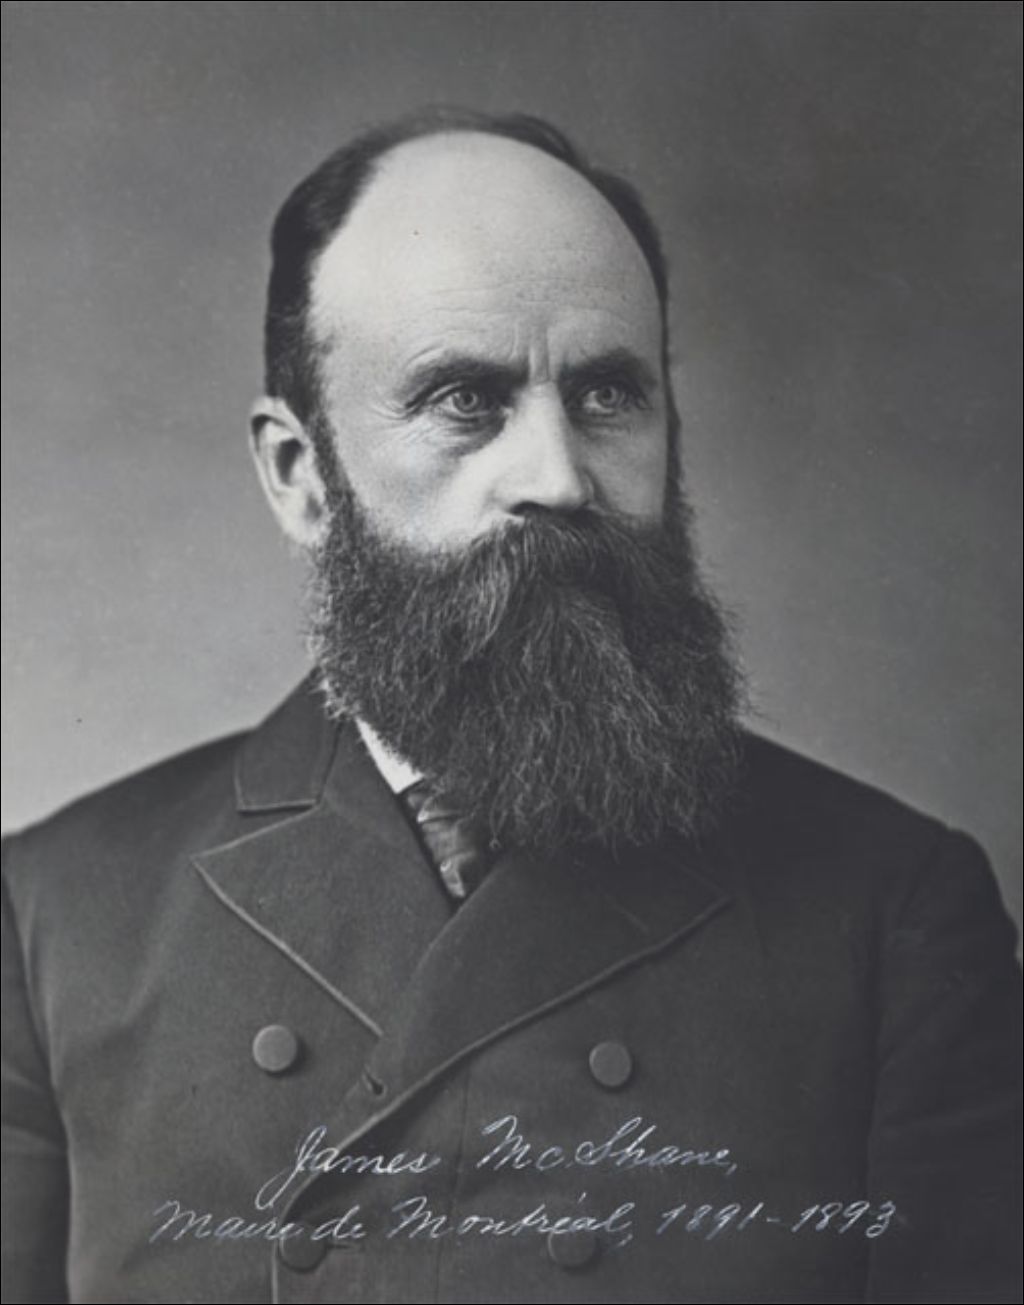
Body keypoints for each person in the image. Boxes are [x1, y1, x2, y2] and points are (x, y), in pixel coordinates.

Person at [2, 107, 1020, 1305]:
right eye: (465, 400)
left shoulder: (894, 915)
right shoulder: (52, 918)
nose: (557, 477)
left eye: (606, 395)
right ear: (300, 475)